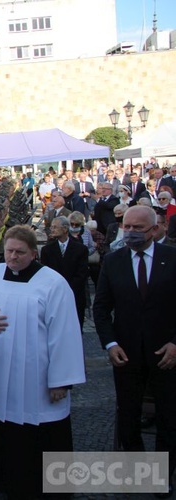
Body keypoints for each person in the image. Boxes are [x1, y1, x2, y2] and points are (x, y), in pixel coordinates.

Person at [0, 225, 85, 498]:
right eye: (9, 251)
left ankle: (45, 486)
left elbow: (65, 334)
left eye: (20, 252)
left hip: (36, 373)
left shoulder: (53, 283)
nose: (13, 257)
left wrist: (61, 380)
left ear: (34, 253)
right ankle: (0, 478)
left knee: (38, 429)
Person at [93, 205, 176, 497]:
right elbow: (101, 308)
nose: (129, 233)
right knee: (128, 417)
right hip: (126, 354)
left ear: (154, 230)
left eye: (137, 228)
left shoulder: (172, 258)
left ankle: (164, 475)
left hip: (167, 355)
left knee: (169, 418)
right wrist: (110, 343)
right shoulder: (113, 262)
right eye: (126, 226)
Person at [41, 216, 89, 331]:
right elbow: (45, 274)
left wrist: (67, 289)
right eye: (51, 227)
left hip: (74, 295)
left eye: (55, 227)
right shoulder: (47, 250)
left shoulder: (80, 249)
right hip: (53, 295)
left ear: (65, 229)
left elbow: (82, 273)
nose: (52, 229)